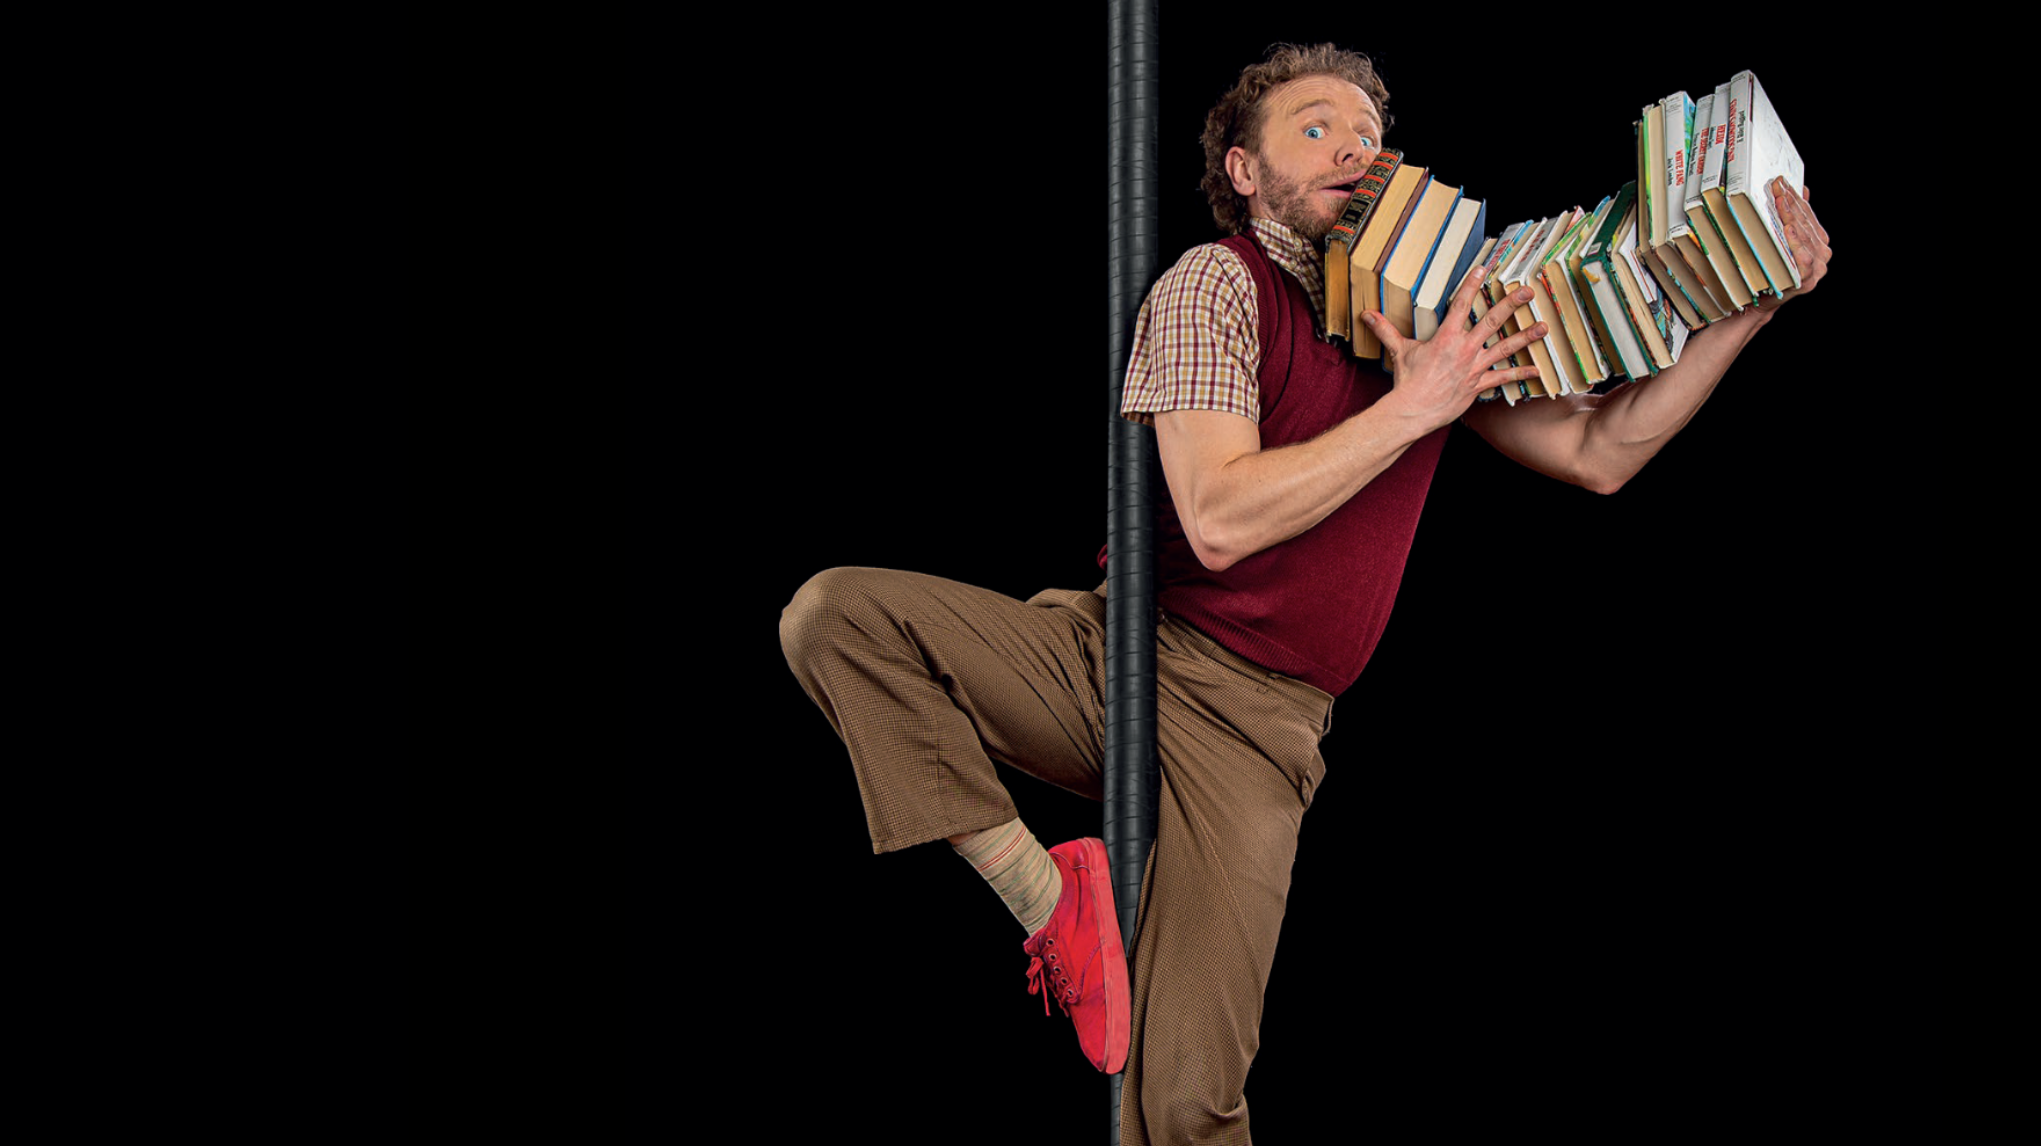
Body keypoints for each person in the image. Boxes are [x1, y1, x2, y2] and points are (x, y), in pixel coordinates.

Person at [778, 42, 1830, 1144]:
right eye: (1315, 128)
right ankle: (1055, 908)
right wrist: (1420, 404)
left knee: (1182, 1103)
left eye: (1368, 133)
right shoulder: (1213, 284)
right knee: (836, 617)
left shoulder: (1425, 330)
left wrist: (1748, 311)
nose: (1352, 146)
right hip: (1121, 657)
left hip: (1260, 727)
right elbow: (1221, 519)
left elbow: (1601, 451)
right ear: (1243, 169)